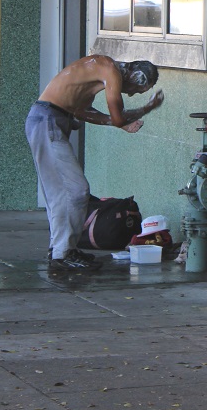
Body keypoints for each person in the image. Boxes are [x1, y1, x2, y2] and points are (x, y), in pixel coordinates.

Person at [25, 55, 165, 271]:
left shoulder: (98, 71)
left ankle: (61, 249)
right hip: (47, 120)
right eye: (134, 90)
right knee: (76, 190)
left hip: (49, 119)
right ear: (135, 75)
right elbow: (117, 117)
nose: (128, 94)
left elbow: (82, 112)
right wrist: (146, 108)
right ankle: (63, 253)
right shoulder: (110, 69)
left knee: (61, 194)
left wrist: (119, 123)